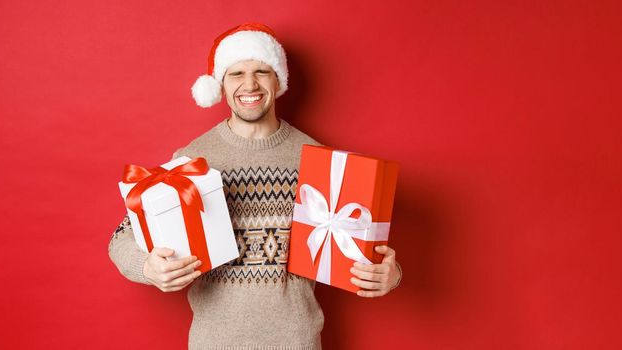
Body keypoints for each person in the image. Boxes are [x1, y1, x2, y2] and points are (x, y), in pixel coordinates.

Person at [108, 23, 402, 350]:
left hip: (297, 342)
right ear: (220, 83)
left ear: (278, 80)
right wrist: (147, 267)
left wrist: (391, 275)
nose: (250, 84)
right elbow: (122, 235)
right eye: (236, 73)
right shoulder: (192, 159)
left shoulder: (321, 161)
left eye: (262, 71)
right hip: (214, 344)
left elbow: (363, 252)